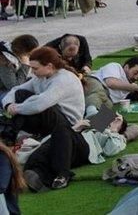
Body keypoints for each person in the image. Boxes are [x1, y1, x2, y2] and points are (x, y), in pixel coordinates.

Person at [1, 48, 85, 191]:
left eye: (35, 68)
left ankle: (10, 135)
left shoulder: (63, 79)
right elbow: (15, 90)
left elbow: (40, 105)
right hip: (50, 119)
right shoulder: (40, 77)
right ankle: (11, 134)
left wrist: (17, 108)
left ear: (49, 66)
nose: (32, 72)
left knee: (31, 102)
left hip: (67, 124)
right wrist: (9, 104)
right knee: (21, 94)